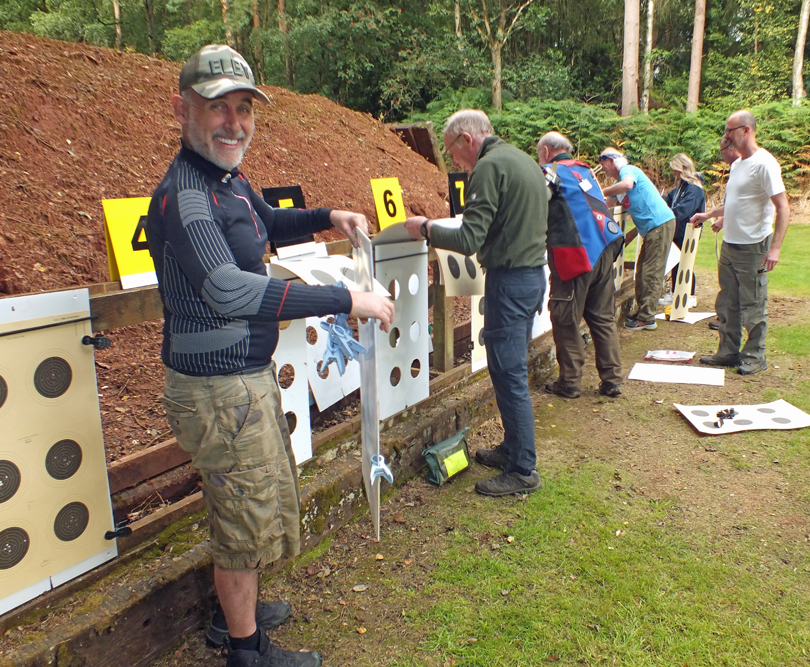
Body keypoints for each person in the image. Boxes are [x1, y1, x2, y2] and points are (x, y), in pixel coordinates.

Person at [145, 44, 395, 667]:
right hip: (218, 387)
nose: (234, 123)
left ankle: (230, 615)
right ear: (182, 109)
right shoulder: (187, 196)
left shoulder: (226, 182)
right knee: (245, 513)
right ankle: (246, 649)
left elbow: (265, 224)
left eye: (244, 109)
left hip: (238, 381)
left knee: (240, 500)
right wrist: (344, 298)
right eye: (218, 108)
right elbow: (228, 289)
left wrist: (326, 217)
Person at [404, 109, 547, 497]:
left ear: (467, 139)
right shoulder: (524, 162)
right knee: (505, 371)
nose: (454, 163)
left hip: (510, 279)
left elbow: (469, 240)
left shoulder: (488, 168)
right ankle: (513, 449)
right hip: (531, 275)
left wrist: (427, 228)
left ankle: (523, 469)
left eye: (452, 153)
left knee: (509, 373)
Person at [691, 109, 790, 375]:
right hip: (730, 245)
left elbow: (782, 206)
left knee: (753, 304)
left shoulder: (765, 163)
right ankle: (728, 353)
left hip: (753, 247)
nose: (726, 136)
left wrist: (775, 248)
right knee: (727, 303)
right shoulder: (737, 164)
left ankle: (755, 356)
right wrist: (714, 217)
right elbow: (737, 202)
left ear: (746, 130)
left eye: (729, 130)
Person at [536, 131, 623, 399]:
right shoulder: (585, 170)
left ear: (547, 151)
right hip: (605, 246)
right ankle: (612, 380)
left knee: (565, 318)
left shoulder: (550, 172)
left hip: (575, 253)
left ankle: (570, 382)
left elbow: (537, 206)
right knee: (601, 316)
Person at [598, 149, 676, 331]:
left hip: (659, 223)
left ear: (611, 161)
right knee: (641, 270)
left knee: (651, 271)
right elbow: (605, 202)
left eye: (603, 166)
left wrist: (602, 190)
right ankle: (643, 312)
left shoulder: (628, 171)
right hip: (650, 228)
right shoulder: (618, 184)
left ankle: (647, 317)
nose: (604, 171)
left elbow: (627, 185)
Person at [708, 138, 742, 330]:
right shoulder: (736, 169)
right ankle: (725, 317)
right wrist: (720, 218)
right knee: (726, 278)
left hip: (743, 238)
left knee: (733, 281)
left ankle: (728, 318)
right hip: (731, 233)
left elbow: (740, 205)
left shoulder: (742, 166)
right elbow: (732, 204)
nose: (721, 155)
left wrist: (715, 216)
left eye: (722, 151)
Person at [662, 153, 706, 299]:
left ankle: (687, 293)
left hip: (688, 230)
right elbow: (671, 198)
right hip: (679, 230)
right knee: (677, 261)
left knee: (684, 262)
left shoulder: (694, 188)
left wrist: (667, 216)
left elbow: (684, 209)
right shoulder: (680, 187)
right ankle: (677, 292)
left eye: (676, 170)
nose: (674, 173)